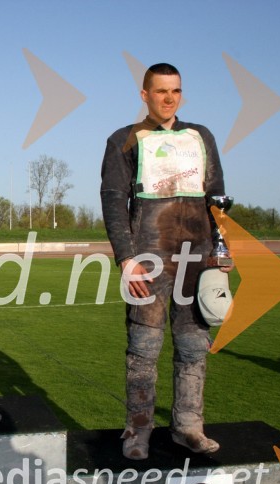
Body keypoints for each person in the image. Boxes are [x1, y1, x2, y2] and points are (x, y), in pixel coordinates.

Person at [100, 63, 232, 460]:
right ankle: (138, 429)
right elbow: (113, 201)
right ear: (145, 95)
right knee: (143, 348)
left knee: (193, 347)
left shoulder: (200, 136)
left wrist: (220, 250)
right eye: (161, 91)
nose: (169, 98)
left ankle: (188, 426)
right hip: (148, 260)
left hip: (196, 261)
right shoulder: (124, 140)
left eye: (175, 90)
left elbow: (218, 198)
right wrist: (127, 259)